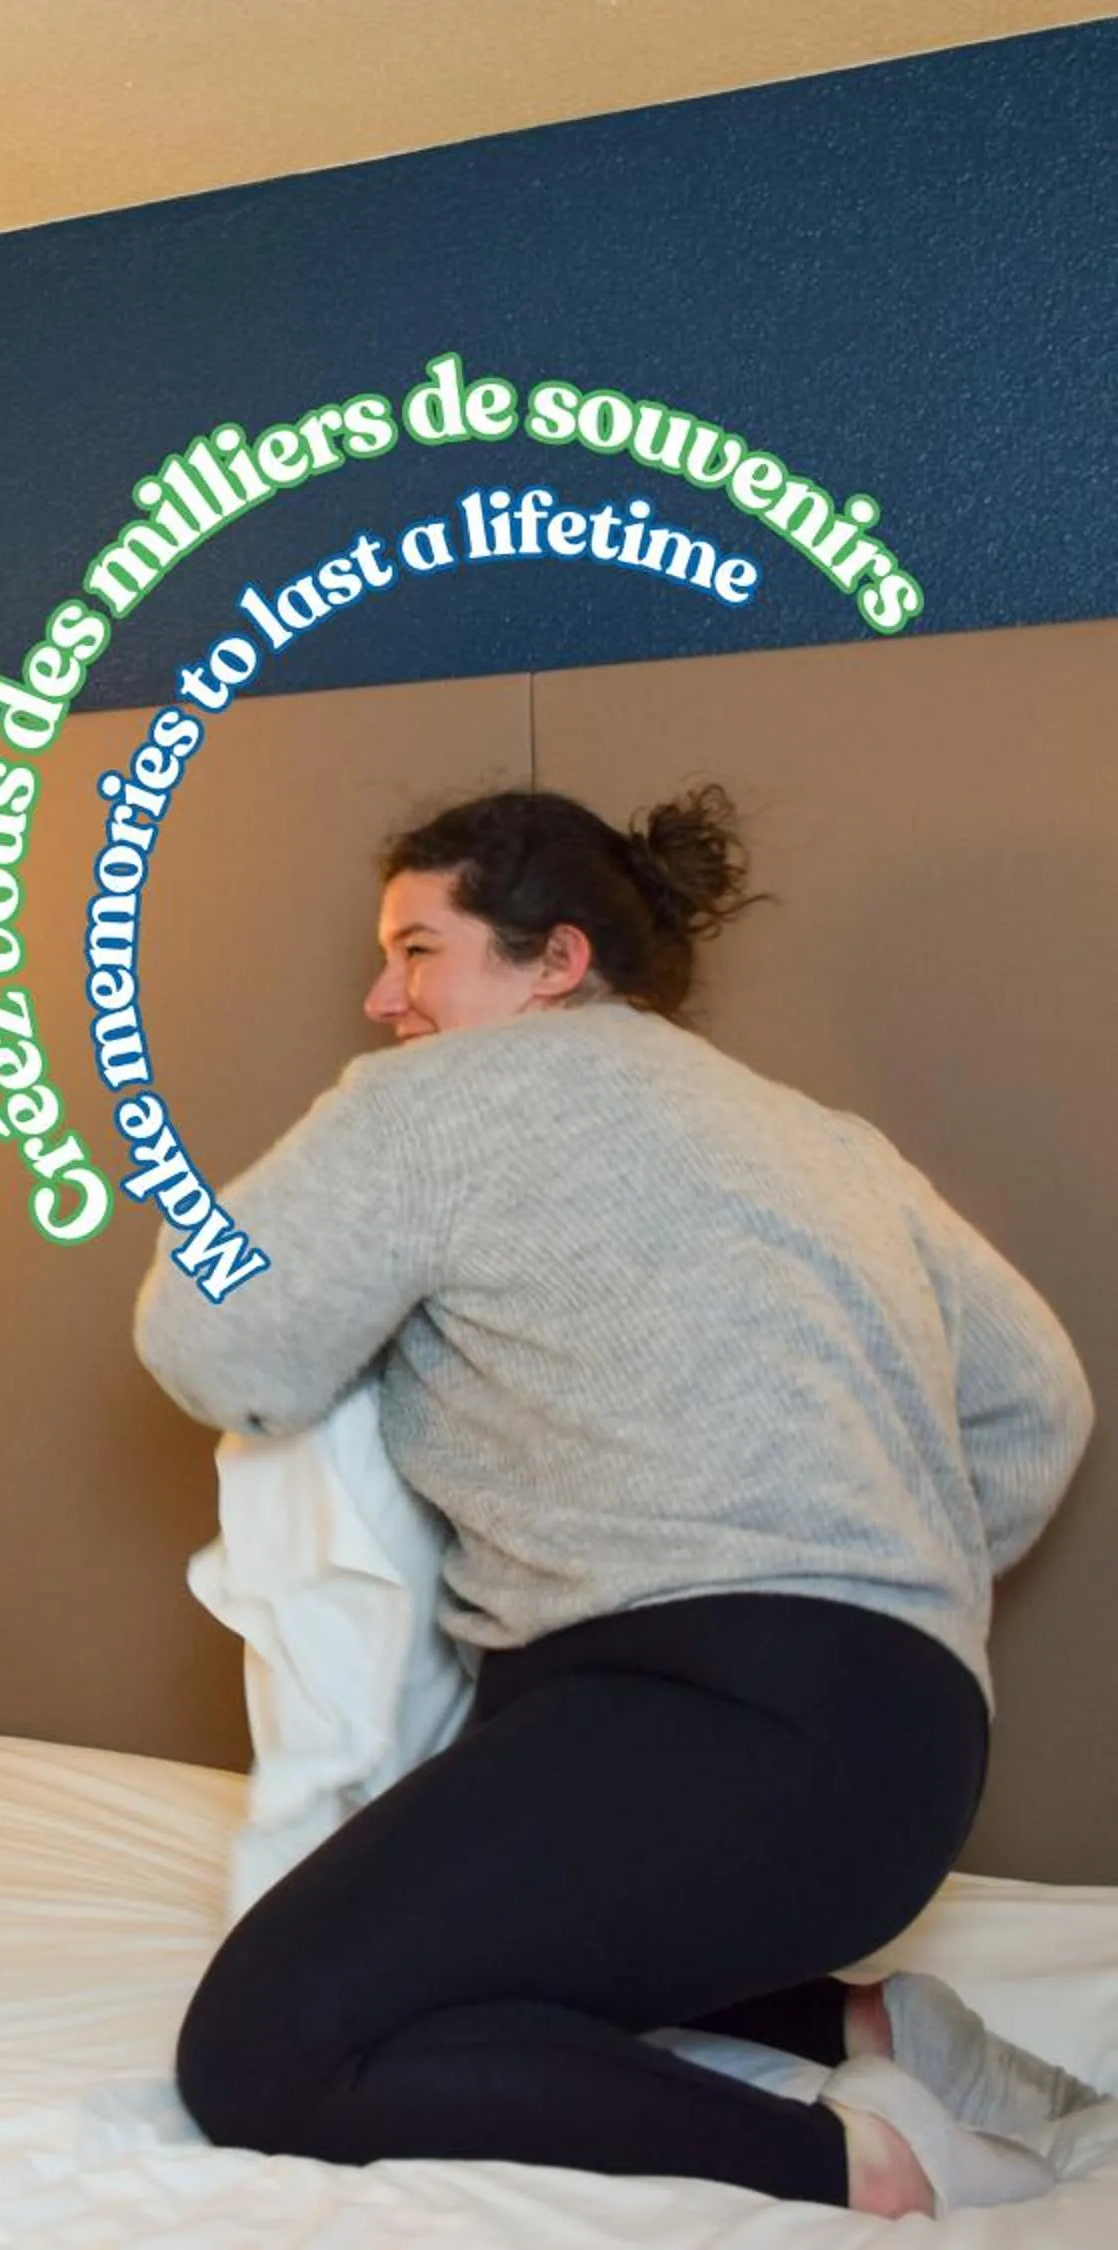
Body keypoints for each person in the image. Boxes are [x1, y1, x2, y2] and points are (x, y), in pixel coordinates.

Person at [139, 786, 1096, 2219]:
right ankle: (865, 2026)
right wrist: (890, 1570)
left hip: (687, 1725)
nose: (380, 997)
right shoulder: (823, 1138)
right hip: (906, 1762)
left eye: (418, 951)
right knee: (475, 1954)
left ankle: (863, 2162)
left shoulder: (441, 1098)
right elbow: (1043, 1402)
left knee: (260, 2047)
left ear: (555, 962)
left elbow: (214, 1344)